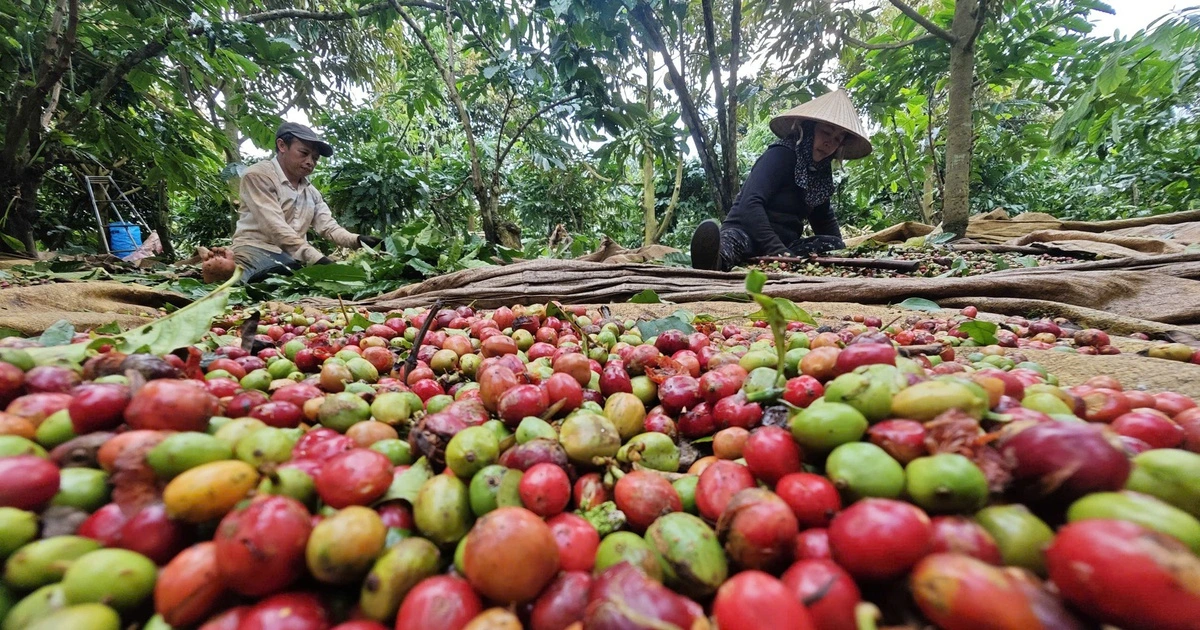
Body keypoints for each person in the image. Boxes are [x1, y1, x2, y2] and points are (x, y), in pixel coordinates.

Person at [690, 89, 872, 271]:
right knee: (732, 244)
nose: (829, 143)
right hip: (746, 233)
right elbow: (750, 204)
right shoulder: (780, 154)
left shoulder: (820, 173)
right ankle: (712, 261)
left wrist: (843, 255)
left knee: (832, 244)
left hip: (786, 245)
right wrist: (777, 251)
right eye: (826, 132)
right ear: (808, 129)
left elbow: (824, 219)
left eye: (837, 139)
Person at [231, 122, 383, 283]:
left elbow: (328, 227)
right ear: (282, 145)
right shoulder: (258, 176)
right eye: (304, 153)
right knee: (242, 278)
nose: (310, 162)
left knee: (300, 277)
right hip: (256, 250)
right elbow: (276, 228)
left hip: (291, 259)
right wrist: (318, 259)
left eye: (315, 158)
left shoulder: (311, 193)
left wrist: (359, 240)